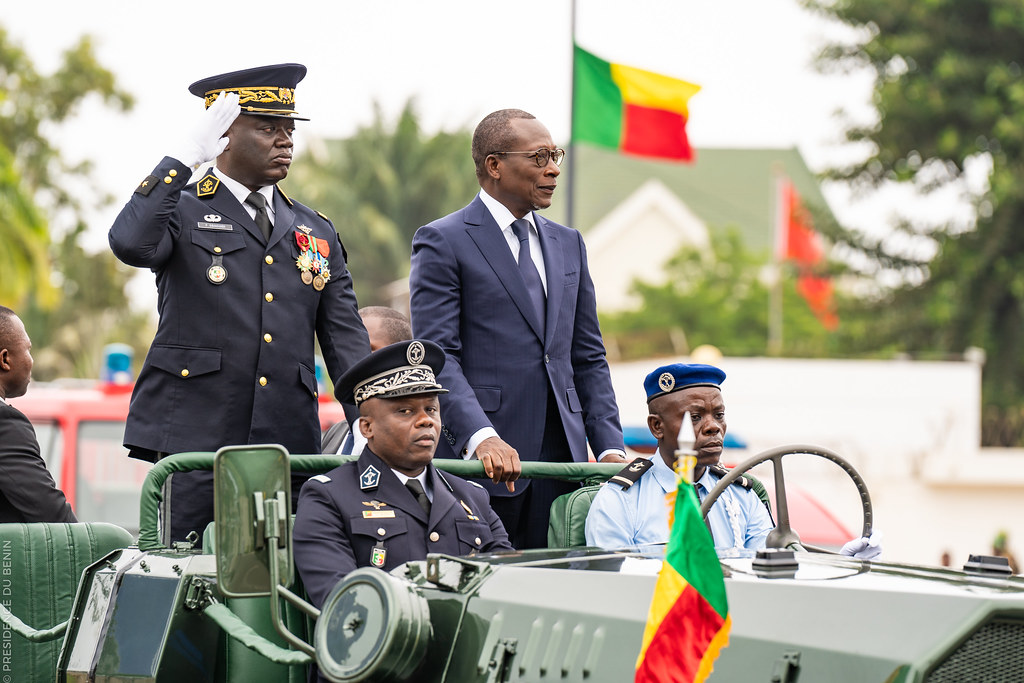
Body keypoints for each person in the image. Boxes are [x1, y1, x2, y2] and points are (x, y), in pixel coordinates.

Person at [108, 64, 370, 542]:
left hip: (285, 445)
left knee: (279, 586)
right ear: (224, 134)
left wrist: (372, 427)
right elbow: (129, 242)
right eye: (268, 128)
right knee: (190, 579)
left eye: (289, 129)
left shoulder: (314, 229)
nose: (285, 140)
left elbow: (347, 345)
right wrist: (185, 158)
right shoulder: (182, 208)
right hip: (196, 442)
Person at [409, 109, 625, 548]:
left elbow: (587, 356)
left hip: (564, 466)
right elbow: (438, 356)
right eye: (539, 157)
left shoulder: (569, 244)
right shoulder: (442, 240)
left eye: (556, 155)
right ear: (494, 165)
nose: (554, 169)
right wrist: (481, 437)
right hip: (486, 467)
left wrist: (609, 449)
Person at [293, 339, 511, 611]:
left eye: (431, 409)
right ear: (367, 427)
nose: (425, 420)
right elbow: (345, 605)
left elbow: (508, 586)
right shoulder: (328, 497)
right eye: (405, 411)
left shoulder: (472, 496)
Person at [585, 362, 882, 560]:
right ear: (657, 427)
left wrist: (842, 564)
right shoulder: (620, 500)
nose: (713, 427)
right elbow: (612, 591)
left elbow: (774, 573)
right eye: (695, 417)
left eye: (719, 415)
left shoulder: (741, 495)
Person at [0, 307, 76, 523]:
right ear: (5, 359)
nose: (31, 361)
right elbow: (56, 519)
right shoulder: (5, 423)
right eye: (28, 350)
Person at [321, 306, 413, 454]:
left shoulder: (418, 434)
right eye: (347, 350)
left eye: (364, 350)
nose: (352, 360)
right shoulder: (338, 431)